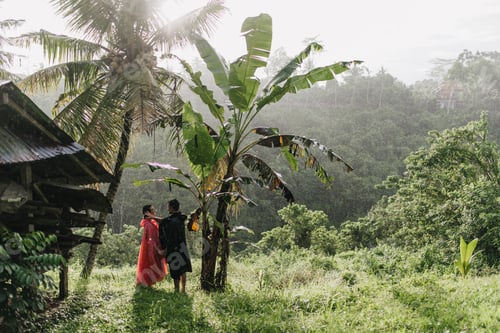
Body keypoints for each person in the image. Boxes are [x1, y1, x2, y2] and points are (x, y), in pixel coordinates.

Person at [159, 199, 192, 293]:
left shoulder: (171, 222)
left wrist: (165, 248)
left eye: (168, 206)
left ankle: (177, 290)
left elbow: (167, 234)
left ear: (172, 208)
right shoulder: (181, 218)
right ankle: (183, 290)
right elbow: (164, 220)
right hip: (182, 246)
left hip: (173, 248)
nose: (167, 208)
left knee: (175, 270)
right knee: (183, 269)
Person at [136, 204, 167, 287]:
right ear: (147, 212)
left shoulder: (151, 222)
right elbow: (150, 239)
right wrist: (157, 250)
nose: (155, 211)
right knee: (150, 265)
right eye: (153, 210)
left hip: (154, 247)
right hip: (151, 248)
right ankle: (146, 283)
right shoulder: (148, 224)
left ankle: (147, 283)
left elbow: (164, 221)